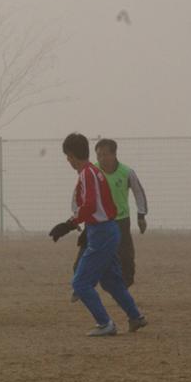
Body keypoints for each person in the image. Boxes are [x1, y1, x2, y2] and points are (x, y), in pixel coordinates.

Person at [49, 133, 147, 336]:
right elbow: (105, 204)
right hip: (105, 229)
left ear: (73, 155)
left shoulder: (88, 173)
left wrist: (69, 224)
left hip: (103, 232)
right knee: (111, 281)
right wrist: (89, 228)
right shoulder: (95, 172)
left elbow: (90, 204)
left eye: (67, 156)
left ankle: (105, 324)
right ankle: (135, 316)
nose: (67, 161)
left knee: (80, 283)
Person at [71, 138, 148, 292]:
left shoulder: (127, 172)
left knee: (125, 259)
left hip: (120, 222)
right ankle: (83, 285)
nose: (102, 159)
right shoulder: (91, 171)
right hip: (96, 222)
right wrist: (76, 217)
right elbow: (77, 194)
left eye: (105, 155)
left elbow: (139, 193)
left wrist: (141, 215)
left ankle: (123, 288)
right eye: (99, 155)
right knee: (83, 257)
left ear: (114, 155)